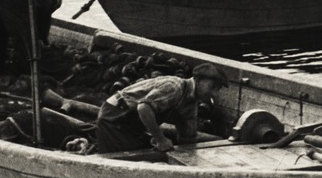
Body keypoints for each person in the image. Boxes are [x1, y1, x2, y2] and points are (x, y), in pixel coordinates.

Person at [95, 63, 229, 154]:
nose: (213, 93)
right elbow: (144, 108)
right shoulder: (174, 87)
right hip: (114, 116)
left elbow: (188, 136)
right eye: (212, 87)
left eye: (217, 90)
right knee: (126, 157)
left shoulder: (191, 103)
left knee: (144, 150)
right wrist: (160, 139)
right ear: (198, 80)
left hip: (132, 124)